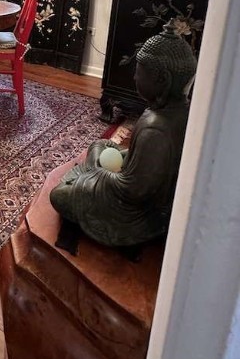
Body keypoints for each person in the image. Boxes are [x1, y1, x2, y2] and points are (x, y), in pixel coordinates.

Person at [50, 21, 197, 248]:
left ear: (163, 79)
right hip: (145, 190)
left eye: (140, 73)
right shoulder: (183, 111)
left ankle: (86, 173)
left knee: (59, 195)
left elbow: (131, 191)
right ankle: (89, 170)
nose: (135, 78)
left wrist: (97, 172)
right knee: (100, 145)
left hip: (137, 213)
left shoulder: (155, 128)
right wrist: (122, 156)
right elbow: (144, 160)